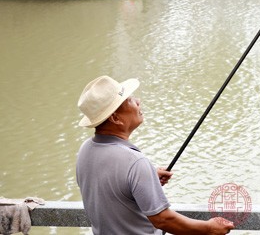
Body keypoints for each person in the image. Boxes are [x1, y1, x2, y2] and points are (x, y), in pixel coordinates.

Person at [76, 75, 235, 235]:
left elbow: (111, 192)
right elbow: (162, 219)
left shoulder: (85, 150)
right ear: (115, 118)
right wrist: (209, 228)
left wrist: (145, 180)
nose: (138, 101)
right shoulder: (135, 162)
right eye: (130, 101)